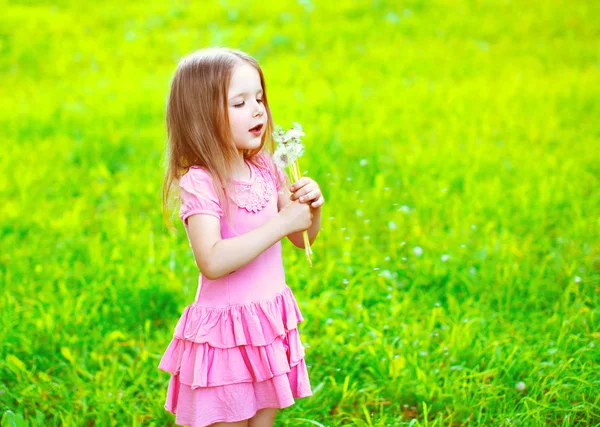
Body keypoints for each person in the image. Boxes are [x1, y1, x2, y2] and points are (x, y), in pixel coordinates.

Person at [158, 47, 326, 427]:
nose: (258, 110)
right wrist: (283, 223)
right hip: (226, 337)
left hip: (266, 325)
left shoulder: (266, 167)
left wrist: (311, 210)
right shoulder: (202, 182)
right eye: (240, 102)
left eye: (259, 98)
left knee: (262, 420)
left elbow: (302, 240)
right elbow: (213, 260)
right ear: (202, 118)